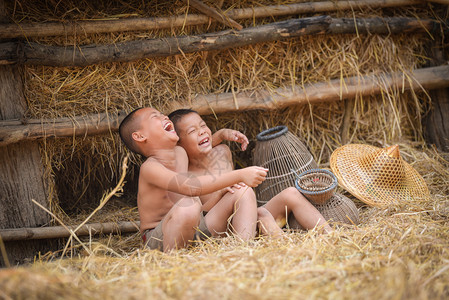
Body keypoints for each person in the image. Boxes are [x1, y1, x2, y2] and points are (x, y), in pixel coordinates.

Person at [118, 107, 268, 252]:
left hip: (195, 225)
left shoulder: (180, 152)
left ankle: (243, 253)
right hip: (159, 239)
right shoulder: (150, 168)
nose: (164, 116)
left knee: (242, 191)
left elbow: (198, 145)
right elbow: (190, 187)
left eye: (162, 114)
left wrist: (222, 135)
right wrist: (239, 175)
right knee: (189, 205)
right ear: (139, 136)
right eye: (154, 116)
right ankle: (172, 267)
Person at [168, 109, 332, 237]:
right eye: (192, 131)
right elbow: (197, 216)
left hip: (246, 217)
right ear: (179, 144)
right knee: (252, 204)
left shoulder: (222, 152)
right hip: (220, 229)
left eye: (203, 125)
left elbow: (206, 145)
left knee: (290, 194)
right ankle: (246, 247)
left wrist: (223, 133)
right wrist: (219, 194)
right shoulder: (186, 174)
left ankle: (331, 235)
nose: (202, 131)